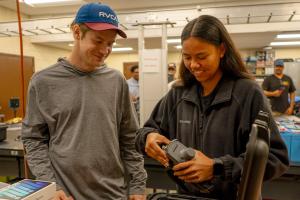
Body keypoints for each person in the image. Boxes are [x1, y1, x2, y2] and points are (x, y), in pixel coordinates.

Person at [135, 15, 289, 199]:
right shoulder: (178, 93)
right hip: (186, 196)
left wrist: (217, 167)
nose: (193, 65)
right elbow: (144, 131)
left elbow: (275, 158)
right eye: (187, 57)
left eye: (201, 56)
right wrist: (148, 137)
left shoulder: (247, 93)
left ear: (221, 50)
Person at [22, 3, 146, 200]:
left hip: (114, 193)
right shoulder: (43, 81)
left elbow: (129, 137)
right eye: (98, 41)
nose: (105, 50)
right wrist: (49, 184)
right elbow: (34, 139)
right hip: (65, 194)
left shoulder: (116, 81)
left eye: (110, 43)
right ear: (77, 32)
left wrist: (138, 185)